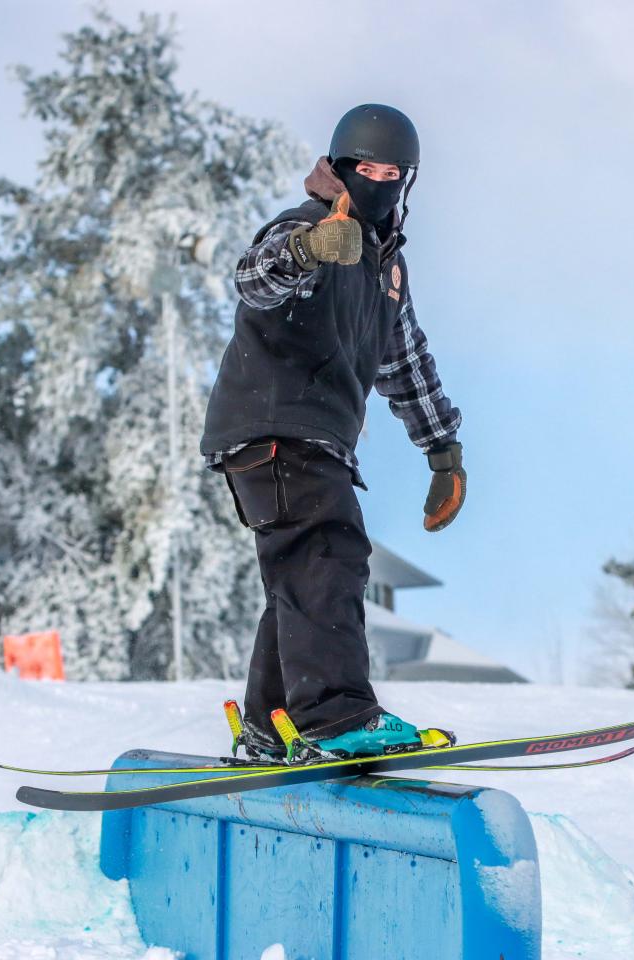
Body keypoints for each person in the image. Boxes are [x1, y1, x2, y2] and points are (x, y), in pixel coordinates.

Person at [200, 104, 466, 762]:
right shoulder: (311, 223)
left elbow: (404, 363)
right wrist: (308, 250)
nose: (377, 181)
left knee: (300, 577)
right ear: (340, 168)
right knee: (329, 555)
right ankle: (337, 715)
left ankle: (272, 727)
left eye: (391, 172)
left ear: (408, 180)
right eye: (364, 169)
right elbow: (253, 279)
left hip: (311, 439)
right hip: (275, 425)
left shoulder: (385, 273)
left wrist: (442, 453)